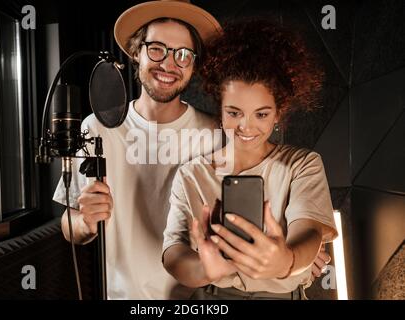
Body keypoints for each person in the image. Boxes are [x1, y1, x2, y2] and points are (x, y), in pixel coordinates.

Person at [53, 0, 330, 299]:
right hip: (126, 294)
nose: (169, 64)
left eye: (183, 54)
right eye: (157, 48)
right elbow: (71, 225)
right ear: (136, 51)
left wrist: (295, 257)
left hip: (199, 295)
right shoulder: (96, 128)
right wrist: (85, 222)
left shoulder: (221, 133)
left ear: (195, 64)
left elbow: (276, 206)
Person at [162, 19, 338, 300]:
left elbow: (309, 232)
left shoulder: (302, 165)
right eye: (234, 113)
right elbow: (173, 254)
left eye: (261, 114)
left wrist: (287, 261)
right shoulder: (191, 175)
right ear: (219, 109)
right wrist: (205, 269)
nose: (246, 126)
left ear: (278, 112)